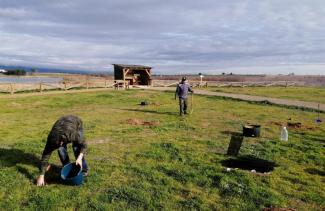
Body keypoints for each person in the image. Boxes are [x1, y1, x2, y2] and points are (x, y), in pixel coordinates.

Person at [37, 115, 88, 186]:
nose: (60, 145)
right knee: (61, 150)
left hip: (75, 123)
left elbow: (84, 145)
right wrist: (41, 176)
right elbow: (45, 157)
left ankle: (84, 170)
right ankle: (68, 168)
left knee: (76, 148)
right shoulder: (51, 140)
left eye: (60, 144)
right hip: (61, 127)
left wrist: (79, 158)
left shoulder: (73, 135)